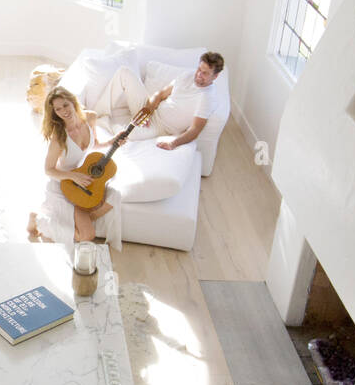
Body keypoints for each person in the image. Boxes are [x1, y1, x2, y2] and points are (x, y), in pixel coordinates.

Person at [28, 85, 127, 249]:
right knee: (86, 236)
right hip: (65, 184)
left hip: (84, 180)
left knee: (115, 195)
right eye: (58, 109)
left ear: (73, 101)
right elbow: (48, 169)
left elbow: (94, 145)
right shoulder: (59, 136)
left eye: (65, 105)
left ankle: (85, 214)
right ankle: (37, 219)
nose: (63, 111)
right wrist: (73, 176)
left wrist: (112, 142)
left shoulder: (90, 118)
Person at [96, 51, 227, 152]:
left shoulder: (208, 98)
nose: (199, 75)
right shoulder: (187, 75)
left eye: (205, 73)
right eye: (199, 69)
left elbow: (195, 130)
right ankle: (97, 114)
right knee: (123, 72)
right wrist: (148, 111)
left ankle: (104, 122)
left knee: (128, 135)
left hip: (160, 128)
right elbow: (160, 95)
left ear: (215, 76)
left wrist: (173, 143)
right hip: (151, 111)